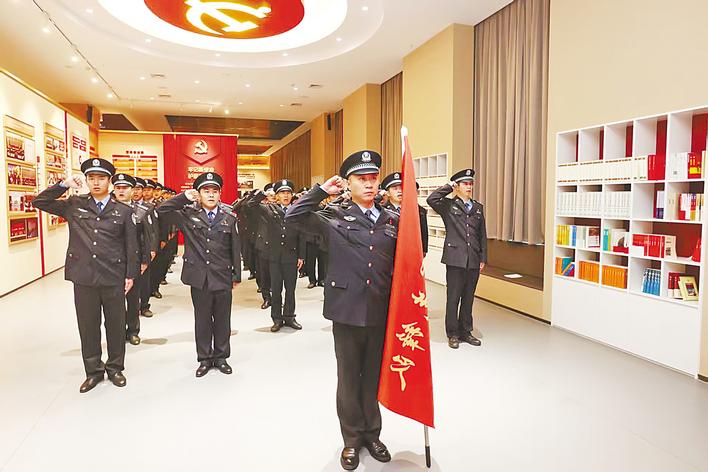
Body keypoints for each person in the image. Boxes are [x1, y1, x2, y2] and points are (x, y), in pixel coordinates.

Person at [286, 150, 397, 471]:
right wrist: (321, 191)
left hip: (379, 308)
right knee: (349, 377)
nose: (369, 184)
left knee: (373, 376)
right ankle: (351, 438)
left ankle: (372, 434)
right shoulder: (333, 217)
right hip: (347, 310)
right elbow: (293, 216)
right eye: (361, 179)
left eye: (373, 178)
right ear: (348, 183)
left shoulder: (392, 220)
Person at [34, 158, 138, 393]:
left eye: (101, 178)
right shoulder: (74, 204)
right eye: (91, 178)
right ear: (87, 181)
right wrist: (63, 184)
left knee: (115, 325)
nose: (96, 182)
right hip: (84, 276)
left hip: (113, 275)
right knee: (88, 326)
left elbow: (131, 246)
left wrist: (130, 275)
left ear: (110, 182)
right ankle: (93, 371)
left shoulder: (123, 211)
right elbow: (40, 201)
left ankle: (115, 368)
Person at [156, 172, 241, 377]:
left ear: (220, 194)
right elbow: (161, 210)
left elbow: (235, 247)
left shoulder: (229, 217)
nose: (211, 195)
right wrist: (184, 197)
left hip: (221, 275)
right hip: (199, 277)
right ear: (199, 194)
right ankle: (204, 358)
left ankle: (221, 357)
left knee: (223, 320)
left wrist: (236, 275)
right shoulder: (187, 214)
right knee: (202, 320)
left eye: (215, 191)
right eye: (206, 191)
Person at [426, 168, 487, 349]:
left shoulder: (478, 207)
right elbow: (431, 199)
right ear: (457, 186)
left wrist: (483, 257)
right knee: (453, 298)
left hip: (473, 259)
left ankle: (466, 331)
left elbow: (482, 234)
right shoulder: (448, 205)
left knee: (468, 298)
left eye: (471, 183)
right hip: (455, 259)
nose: (469, 186)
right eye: (465, 183)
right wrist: (449, 186)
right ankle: (452, 333)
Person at [248, 179, 305, 332]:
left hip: (291, 256)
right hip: (274, 256)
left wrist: (301, 256)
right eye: (282, 193)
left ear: (292, 195)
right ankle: (277, 319)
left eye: (288, 193)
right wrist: (262, 194)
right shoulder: (269, 209)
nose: (285, 196)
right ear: (277, 195)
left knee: (290, 290)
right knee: (276, 288)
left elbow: (302, 234)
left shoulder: (297, 210)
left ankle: (290, 316)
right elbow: (250, 205)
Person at [111, 173, 153, 345]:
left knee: (133, 299)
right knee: (115, 301)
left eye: (125, 188)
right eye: (118, 188)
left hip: (133, 261)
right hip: (112, 262)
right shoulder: (107, 210)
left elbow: (146, 238)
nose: (121, 191)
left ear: (132, 190)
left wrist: (145, 260)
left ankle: (133, 331)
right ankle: (118, 332)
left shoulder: (141, 212)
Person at [380, 172, 429, 256]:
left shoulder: (418, 210)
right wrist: (379, 196)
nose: (399, 191)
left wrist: (423, 251)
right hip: (388, 253)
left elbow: (423, 233)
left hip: (410, 252)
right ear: (387, 193)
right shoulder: (381, 210)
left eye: (402, 188)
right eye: (395, 188)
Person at [133, 177, 158, 318]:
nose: (135, 192)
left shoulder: (148, 208)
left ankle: (144, 306)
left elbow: (153, 230)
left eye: (138, 189)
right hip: (129, 250)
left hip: (144, 248)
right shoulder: (124, 207)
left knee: (144, 280)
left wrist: (153, 248)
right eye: (133, 189)